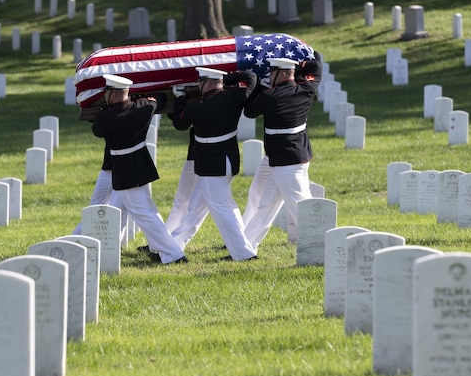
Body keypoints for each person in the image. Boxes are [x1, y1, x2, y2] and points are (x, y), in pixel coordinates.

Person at [91, 74, 187, 264]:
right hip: (140, 166)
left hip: (124, 171)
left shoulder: (105, 117)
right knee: (146, 210)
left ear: (112, 94)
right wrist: (139, 99)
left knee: (144, 213)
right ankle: (111, 248)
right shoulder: (143, 107)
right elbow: (158, 99)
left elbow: (97, 129)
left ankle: (174, 255)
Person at [169, 67, 258, 261]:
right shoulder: (234, 96)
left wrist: (180, 99)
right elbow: (250, 77)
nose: (199, 86)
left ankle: (244, 254)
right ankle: (172, 247)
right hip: (226, 160)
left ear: (207, 83)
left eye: (201, 82)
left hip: (212, 165)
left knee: (222, 208)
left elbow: (179, 123)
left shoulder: (195, 106)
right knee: (196, 209)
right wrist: (227, 77)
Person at [243, 54, 322, 252]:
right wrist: (304, 61)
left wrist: (255, 85)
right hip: (295, 155)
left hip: (285, 161)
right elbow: (317, 66)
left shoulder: (270, 96)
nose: (269, 76)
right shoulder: (306, 88)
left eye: (272, 72)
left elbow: (250, 111)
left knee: (299, 204)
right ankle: (246, 247)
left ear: (284, 73)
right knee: (266, 205)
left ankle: (322, 244)